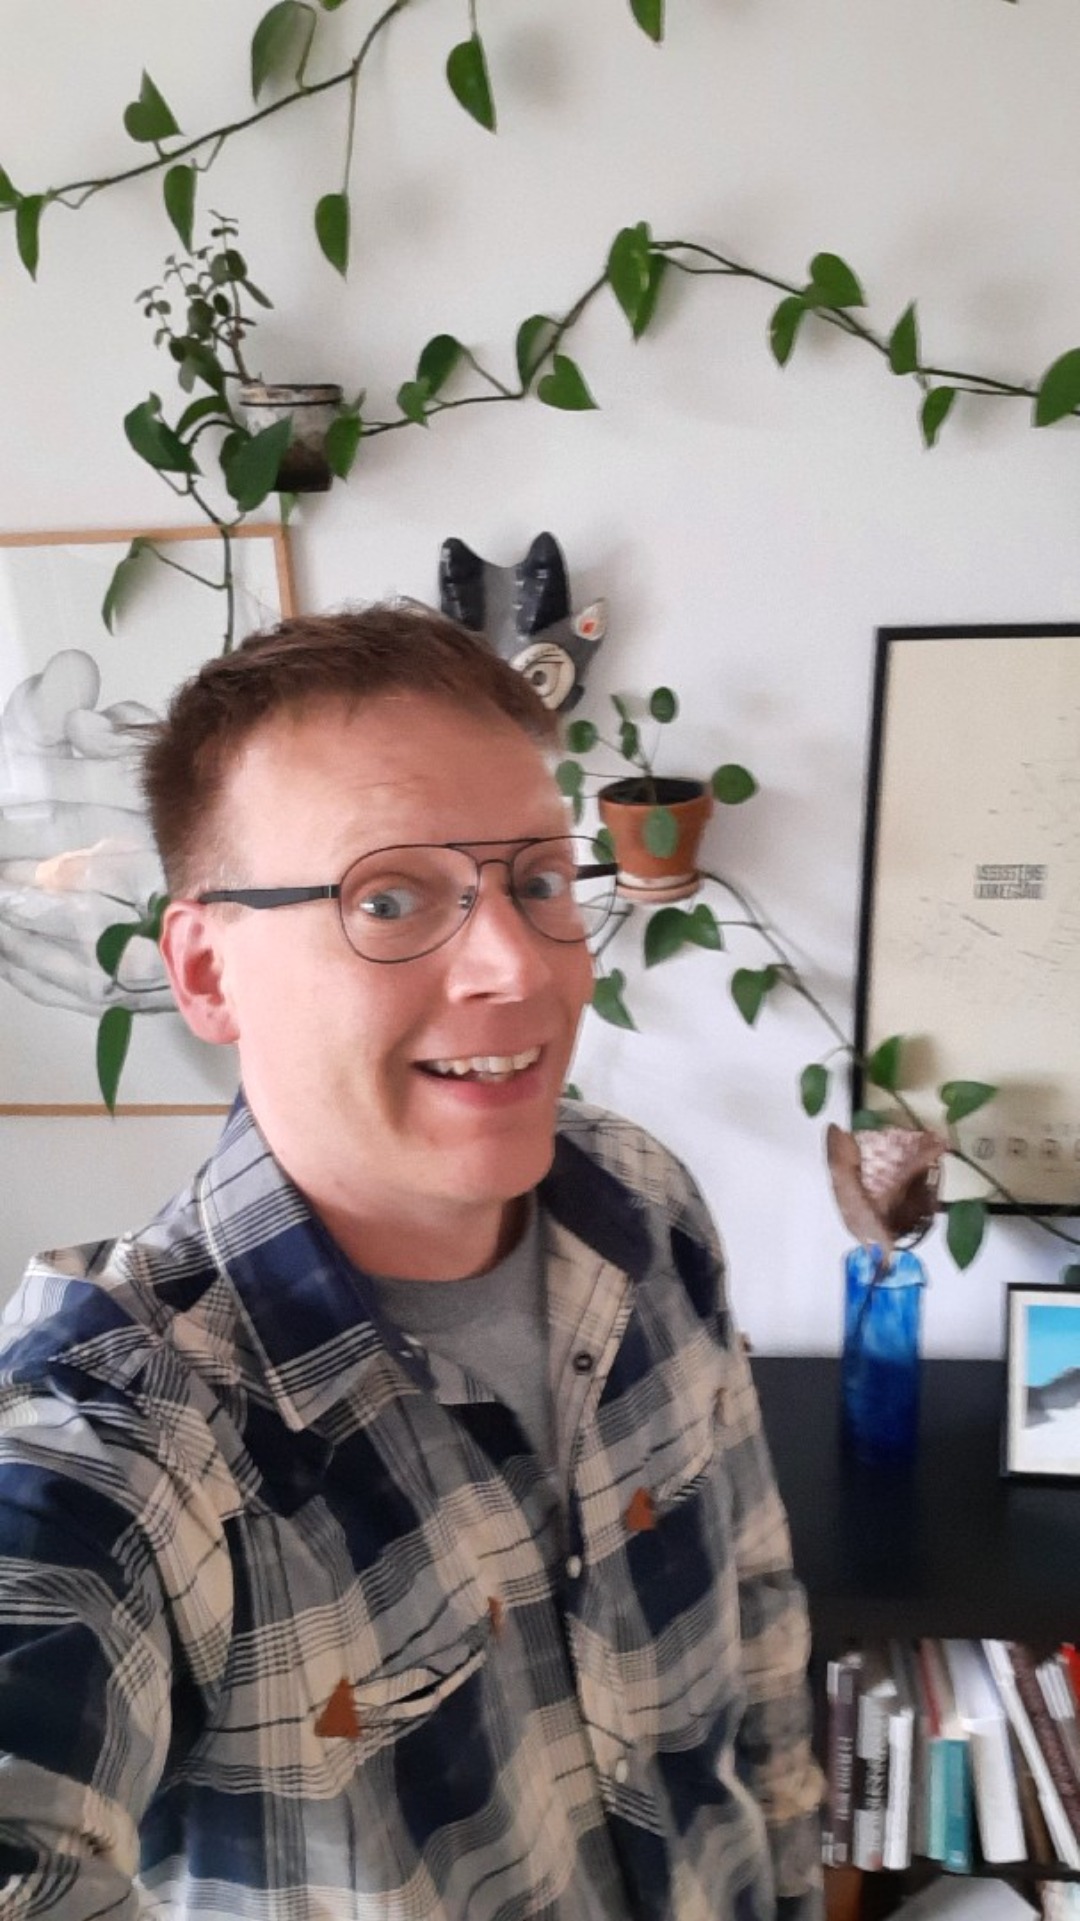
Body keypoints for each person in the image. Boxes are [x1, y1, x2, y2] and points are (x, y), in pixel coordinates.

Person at [0, 605, 823, 1920]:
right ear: (208, 971)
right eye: (388, 898)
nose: (518, 965)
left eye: (538, 881)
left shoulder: (645, 1201)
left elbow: (758, 1602)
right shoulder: (121, 1424)